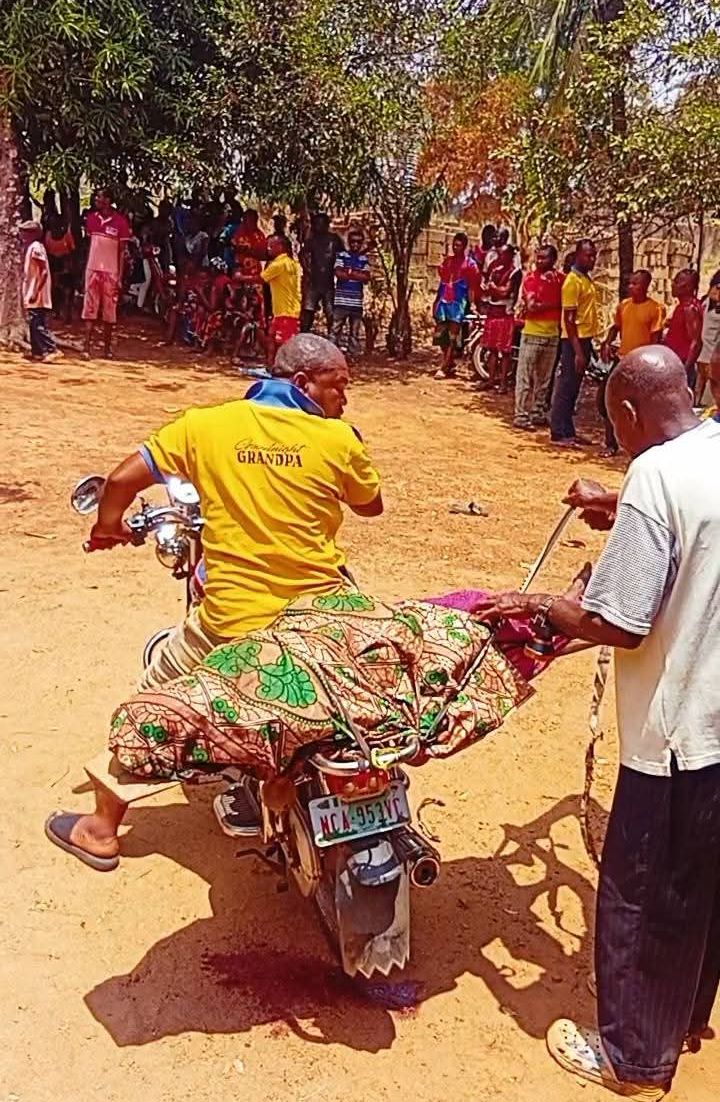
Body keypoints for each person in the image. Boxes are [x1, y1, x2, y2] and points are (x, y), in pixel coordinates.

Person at [479, 344, 720, 1099]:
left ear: (624, 412)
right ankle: (684, 1016)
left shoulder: (655, 474)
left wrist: (536, 605)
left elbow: (618, 621)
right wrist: (622, 509)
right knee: (703, 886)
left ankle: (632, 1059)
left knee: (638, 893)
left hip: (676, 734)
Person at [44, 335, 384, 864]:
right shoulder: (338, 439)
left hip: (234, 622)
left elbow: (119, 481)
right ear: (302, 384)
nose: (344, 399)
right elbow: (371, 506)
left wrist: (108, 527)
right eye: (337, 387)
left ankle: (100, 828)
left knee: (152, 697)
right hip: (323, 621)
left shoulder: (203, 426)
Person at [598, 269, 666, 456]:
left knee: (639, 406)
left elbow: (655, 338)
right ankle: (610, 443)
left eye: (635, 284)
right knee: (607, 399)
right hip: (621, 360)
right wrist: (607, 342)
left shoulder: (655, 309)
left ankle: (640, 445)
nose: (631, 287)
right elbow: (616, 327)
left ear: (645, 286)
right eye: (630, 283)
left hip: (640, 364)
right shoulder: (624, 306)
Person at [550, 238, 599, 447]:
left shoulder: (586, 279)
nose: (592, 259)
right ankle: (559, 432)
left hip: (585, 339)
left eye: (594, 255)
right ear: (578, 255)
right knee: (566, 385)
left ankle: (568, 429)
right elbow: (569, 321)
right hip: (573, 341)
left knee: (574, 387)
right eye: (588, 255)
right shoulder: (572, 282)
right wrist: (578, 352)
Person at [513, 244, 563, 429]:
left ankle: (537, 413)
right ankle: (521, 415)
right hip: (532, 334)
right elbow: (532, 306)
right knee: (525, 378)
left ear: (553, 260)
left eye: (544, 258)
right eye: (538, 257)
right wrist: (557, 304)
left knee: (544, 380)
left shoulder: (560, 279)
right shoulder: (530, 279)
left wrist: (548, 304)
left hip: (552, 336)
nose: (540, 261)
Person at [82, 187, 131, 359]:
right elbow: (90, 245)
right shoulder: (91, 219)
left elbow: (121, 252)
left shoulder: (120, 222)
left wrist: (119, 275)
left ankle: (107, 349)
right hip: (93, 268)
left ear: (108, 200)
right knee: (89, 308)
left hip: (111, 271)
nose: (97, 199)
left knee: (109, 311)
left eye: (100, 197)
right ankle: (86, 347)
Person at [432, 232, 479, 379]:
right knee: (440, 334)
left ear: (464, 247)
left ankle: (444, 367)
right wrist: (436, 300)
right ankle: (449, 361)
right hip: (444, 301)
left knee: (453, 335)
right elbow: (442, 283)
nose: (455, 247)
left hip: (458, 302)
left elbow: (472, 287)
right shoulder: (447, 262)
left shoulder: (470, 265)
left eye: (458, 245)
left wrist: (472, 305)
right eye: (454, 244)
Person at [20, 220, 61, 362]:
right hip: (32, 291)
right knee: (33, 323)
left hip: (37, 292)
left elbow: (43, 272)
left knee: (38, 323)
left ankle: (51, 349)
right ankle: (37, 351)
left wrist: (36, 291)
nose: (22, 234)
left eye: (25, 232)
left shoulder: (36, 247)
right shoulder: (32, 247)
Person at [261, 235, 302, 365]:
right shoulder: (292, 263)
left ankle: (284, 367)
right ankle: (270, 364)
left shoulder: (278, 264)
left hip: (286, 310)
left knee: (283, 343)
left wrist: (241, 277)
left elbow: (261, 278)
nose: (268, 249)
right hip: (283, 309)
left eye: (271, 246)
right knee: (271, 337)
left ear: (280, 247)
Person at [300, 213, 344, 334]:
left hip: (328, 281)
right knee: (308, 311)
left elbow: (343, 255)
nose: (318, 226)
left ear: (326, 225)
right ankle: (304, 335)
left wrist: (338, 270)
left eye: (321, 223)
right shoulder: (312, 240)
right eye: (316, 224)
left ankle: (333, 337)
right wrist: (307, 270)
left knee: (330, 312)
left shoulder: (334, 239)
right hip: (314, 281)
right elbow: (302, 254)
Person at [332, 227, 370, 359]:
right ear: (349, 242)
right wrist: (356, 274)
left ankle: (352, 356)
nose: (356, 244)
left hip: (356, 302)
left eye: (359, 242)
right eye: (353, 241)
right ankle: (332, 355)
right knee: (335, 330)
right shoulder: (342, 256)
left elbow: (366, 278)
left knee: (354, 333)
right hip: (341, 301)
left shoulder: (363, 259)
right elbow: (339, 274)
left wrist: (349, 272)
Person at [664, 268, 703, 390]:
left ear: (688, 287)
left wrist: (685, 369)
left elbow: (696, 342)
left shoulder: (690, 308)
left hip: (681, 365)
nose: (673, 284)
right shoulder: (681, 307)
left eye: (677, 281)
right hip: (674, 363)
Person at [44, 212, 76, 323]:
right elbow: (46, 251)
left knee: (67, 291)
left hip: (65, 263)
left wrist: (70, 267)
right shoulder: (48, 234)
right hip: (53, 264)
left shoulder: (66, 234)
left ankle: (68, 314)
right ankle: (57, 312)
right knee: (55, 290)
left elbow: (72, 250)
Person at [695, 270, 720, 405]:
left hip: (713, 357)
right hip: (703, 355)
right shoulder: (706, 303)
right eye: (716, 287)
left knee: (710, 396)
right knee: (698, 390)